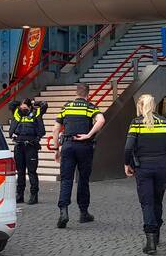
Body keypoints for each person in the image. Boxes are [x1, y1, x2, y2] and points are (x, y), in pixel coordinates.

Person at [124, 94, 166, 255]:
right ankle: (157, 234)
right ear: (153, 106)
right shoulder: (165, 122)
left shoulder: (136, 123)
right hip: (162, 166)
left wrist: (127, 164)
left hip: (143, 167)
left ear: (140, 106)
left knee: (147, 203)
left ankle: (151, 241)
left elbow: (128, 147)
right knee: (157, 201)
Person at [53, 82, 105, 228]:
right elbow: (101, 120)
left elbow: (55, 129)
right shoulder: (90, 107)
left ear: (76, 93)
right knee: (83, 179)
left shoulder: (66, 107)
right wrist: (88, 135)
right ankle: (83, 213)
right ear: (88, 94)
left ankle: (63, 212)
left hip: (67, 146)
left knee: (66, 179)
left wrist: (56, 149)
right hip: (84, 146)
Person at [9, 97, 48, 204]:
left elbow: (44, 104)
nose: (22, 109)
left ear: (30, 107)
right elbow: (11, 104)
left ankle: (34, 196)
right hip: (19, 145)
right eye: (21, 107)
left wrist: (33, 103)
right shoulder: (17, 112)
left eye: (25, 107)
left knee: (32, 172)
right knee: (20, 172)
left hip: (31, 146)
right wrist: (20, 103)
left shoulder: (36, 113)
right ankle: (20, 195)